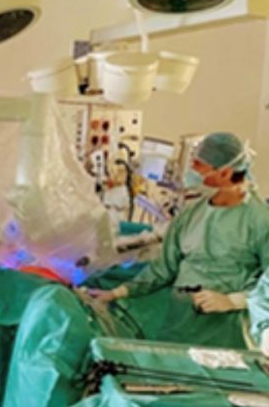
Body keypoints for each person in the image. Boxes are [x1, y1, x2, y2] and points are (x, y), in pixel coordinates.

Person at [91, 132, 269, 349]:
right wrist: (116, 293)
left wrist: (233, 301)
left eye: (199, 165)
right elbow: (163, 269)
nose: (191, 170)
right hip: (181, 327)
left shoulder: (260, 220)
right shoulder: (191, 213)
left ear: (225, 172)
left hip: (228, 334)